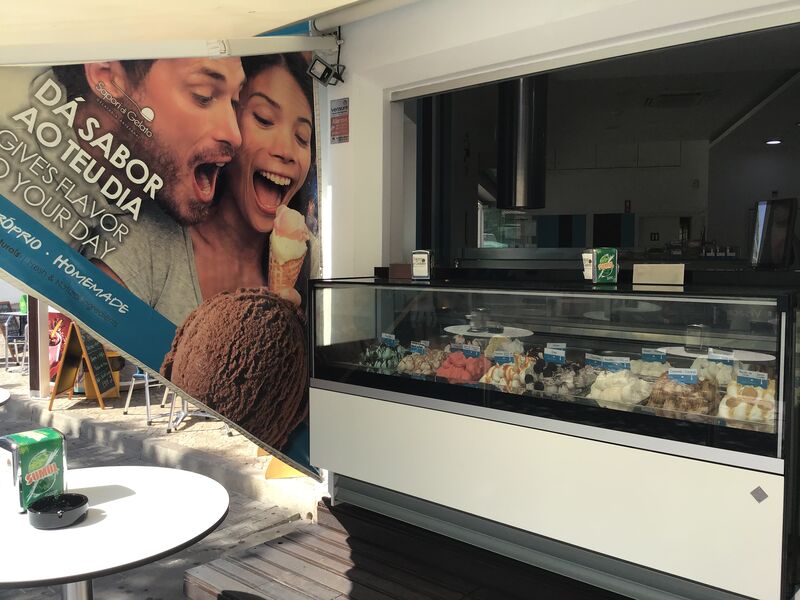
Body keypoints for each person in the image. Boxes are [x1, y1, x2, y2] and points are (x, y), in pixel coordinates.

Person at [189, 53, 317, 307]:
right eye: (264, 119)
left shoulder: (314, 266)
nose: (286, 151)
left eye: (302, 137)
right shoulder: (157, 247)